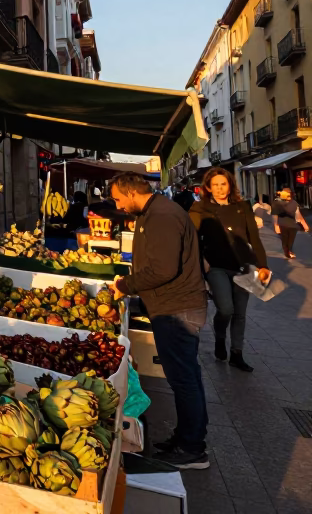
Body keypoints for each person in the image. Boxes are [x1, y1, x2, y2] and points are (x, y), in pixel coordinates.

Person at [108, 172, 209, 469]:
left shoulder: (161, 216)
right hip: (172, 305)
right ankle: (187, 438)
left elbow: (163, 270)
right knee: (186, 378)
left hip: (177, 310)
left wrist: (124, 286)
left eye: (117, 198)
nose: (118, 205)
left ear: (129, 192)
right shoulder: (155, 212)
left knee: (184, 379)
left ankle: (193, 450)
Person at [189, 168, 270, 373]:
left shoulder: (243, 207)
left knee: (240, 314)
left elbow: (254, 238)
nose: (219, 188)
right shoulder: (200, 208)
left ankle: (236, 354)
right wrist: (201, 263)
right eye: (215, 185)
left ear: (230, 185)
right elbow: (191, 238)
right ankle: (220, 338)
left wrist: (263, 265)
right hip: (216, 266)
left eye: (223, 184)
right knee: (226, 309)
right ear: (207, 187)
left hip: (244, 267)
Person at [271, 188, 308, 259]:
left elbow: (298, 215)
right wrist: (276, 226)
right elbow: (274, 215)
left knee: (290, 240)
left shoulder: (294, 203)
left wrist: (304, 224)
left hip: (293, 225)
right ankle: (287, 252)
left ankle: (289, 251)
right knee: (285, 240)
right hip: (283, 225)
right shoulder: (277, 203)